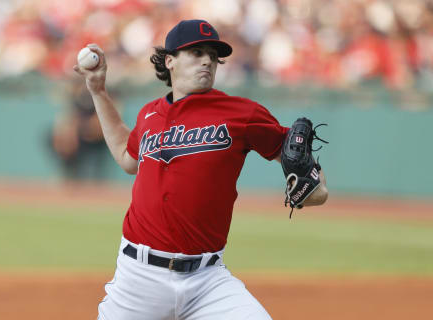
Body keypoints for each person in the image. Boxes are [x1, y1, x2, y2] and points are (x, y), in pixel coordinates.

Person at [74, 19, 328, 320]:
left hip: (207, 281)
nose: (207, 59)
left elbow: (303, 168)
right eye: (196, 52)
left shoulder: (242, 114)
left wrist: (316, 188)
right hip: (138, 278)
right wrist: (98, 90)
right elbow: (126, 157)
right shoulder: (149, 114)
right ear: (170, 61)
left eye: (212, 54)